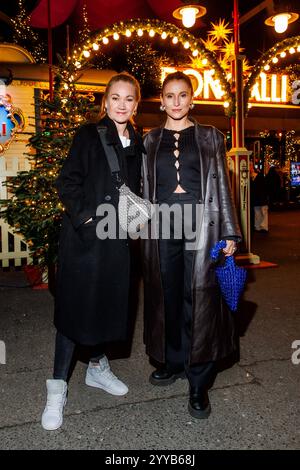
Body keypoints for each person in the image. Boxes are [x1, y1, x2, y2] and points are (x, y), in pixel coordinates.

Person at [41, 72, 143, 431]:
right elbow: (66, 180)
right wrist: (86, 220)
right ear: (106, 101)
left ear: (136, 104)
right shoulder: (89, 134)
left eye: (128, 99)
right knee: (74, 312)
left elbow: (138, 188)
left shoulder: (138, 141)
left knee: (104, 307)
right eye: (115, 97)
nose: (121, 104)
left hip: (117, 244)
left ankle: (97, 369)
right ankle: (57, 387)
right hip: (86, 240)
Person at [142, 71, 241, 419]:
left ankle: (198, 381)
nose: (176, 102)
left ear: (192, 99)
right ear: (162, 101)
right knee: (165, 295)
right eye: (170, 96)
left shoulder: (211, 136)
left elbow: (223, 188)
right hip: (162, 225)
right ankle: (172, 360)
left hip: (202, 224)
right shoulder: (150, 140)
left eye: (182, 95)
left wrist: (230, 233)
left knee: (198, 297)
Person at [249, 162, 269, 233]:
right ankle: (257, 226)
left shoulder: (259, 176)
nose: (249, 168)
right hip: (255, 198)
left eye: (250, 166)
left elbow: (264, 187)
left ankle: (264, 227)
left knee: (263, 212)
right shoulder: (249, 177)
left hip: (261, 197)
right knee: (257, 213)